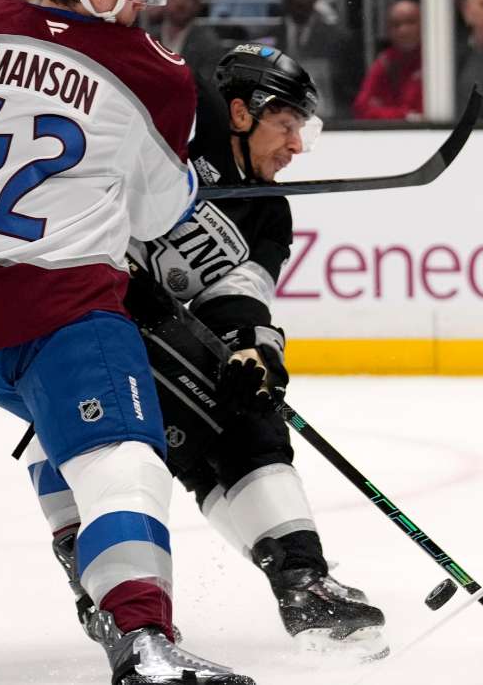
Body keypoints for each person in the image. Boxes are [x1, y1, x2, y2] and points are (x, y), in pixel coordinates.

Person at [21, 44, 389, 660]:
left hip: (160, 330)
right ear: (242, 112)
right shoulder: (175, 123)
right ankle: (85, 554)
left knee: (244, 412)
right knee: (89, 423)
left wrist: (254, 351)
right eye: (288, 124)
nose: (297, 146)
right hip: (79, 308)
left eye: (303, 129)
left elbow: (241, 290)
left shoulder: (268, 213)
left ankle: (302, 580)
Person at [0, 0, 252, 683]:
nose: (143, 1)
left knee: (61, 427)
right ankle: (141, 636)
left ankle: (74, 538)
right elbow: (154, 212)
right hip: (57, 309)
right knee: (122, 462)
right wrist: (190, 184)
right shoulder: (156, 73)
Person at [257, 0, 361, 120]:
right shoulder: (266, 42)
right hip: (279, 122)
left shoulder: (339, 39)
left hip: (329, 124)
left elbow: (349, 93)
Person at [353, 0, 423, 120]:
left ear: (424, 24)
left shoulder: (434, 60)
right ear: (388, 30)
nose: (403, 30)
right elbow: (361, 108)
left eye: (410, 22)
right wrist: (404, 115)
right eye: (396, 25)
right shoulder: (385, 61)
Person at [148, 0, 225, 83]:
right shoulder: (148, 38)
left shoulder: (209, 45)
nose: (181, 2)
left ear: (198, 4)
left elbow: (208, 91)